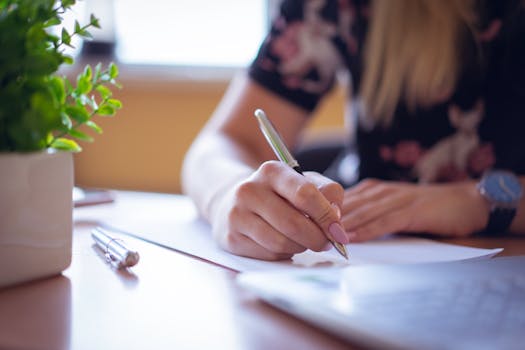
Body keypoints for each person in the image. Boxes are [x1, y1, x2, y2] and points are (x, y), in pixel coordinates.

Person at [182, 0, 525, 261]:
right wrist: (229, 195)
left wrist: (477, 201)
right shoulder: (341, 8)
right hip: (371, 267)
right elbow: (225, 141)